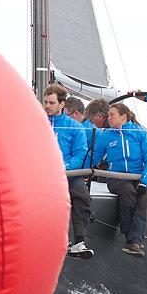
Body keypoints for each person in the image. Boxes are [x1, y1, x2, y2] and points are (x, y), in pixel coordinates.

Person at [92, 103, 147, 257]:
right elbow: (93, 158)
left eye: (111, 115)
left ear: (123, 117)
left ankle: (133, 242)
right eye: (108, 115)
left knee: (146, 197)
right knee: (127, 190)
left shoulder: (141, 134)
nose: (108, 118)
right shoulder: (105, 136)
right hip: (117, 179)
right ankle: (132, 239)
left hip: (140, 177)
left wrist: (144, 181)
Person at [43, 84, 94, 259]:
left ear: (62, 104)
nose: (47, 106)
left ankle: (79, 241)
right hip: (43, 175)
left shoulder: (75, 127)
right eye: (45, 102)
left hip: (68, 174)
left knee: (80, 193)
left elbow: (80, 154)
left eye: (51, 103)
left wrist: (60, 169)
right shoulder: (37, 123)